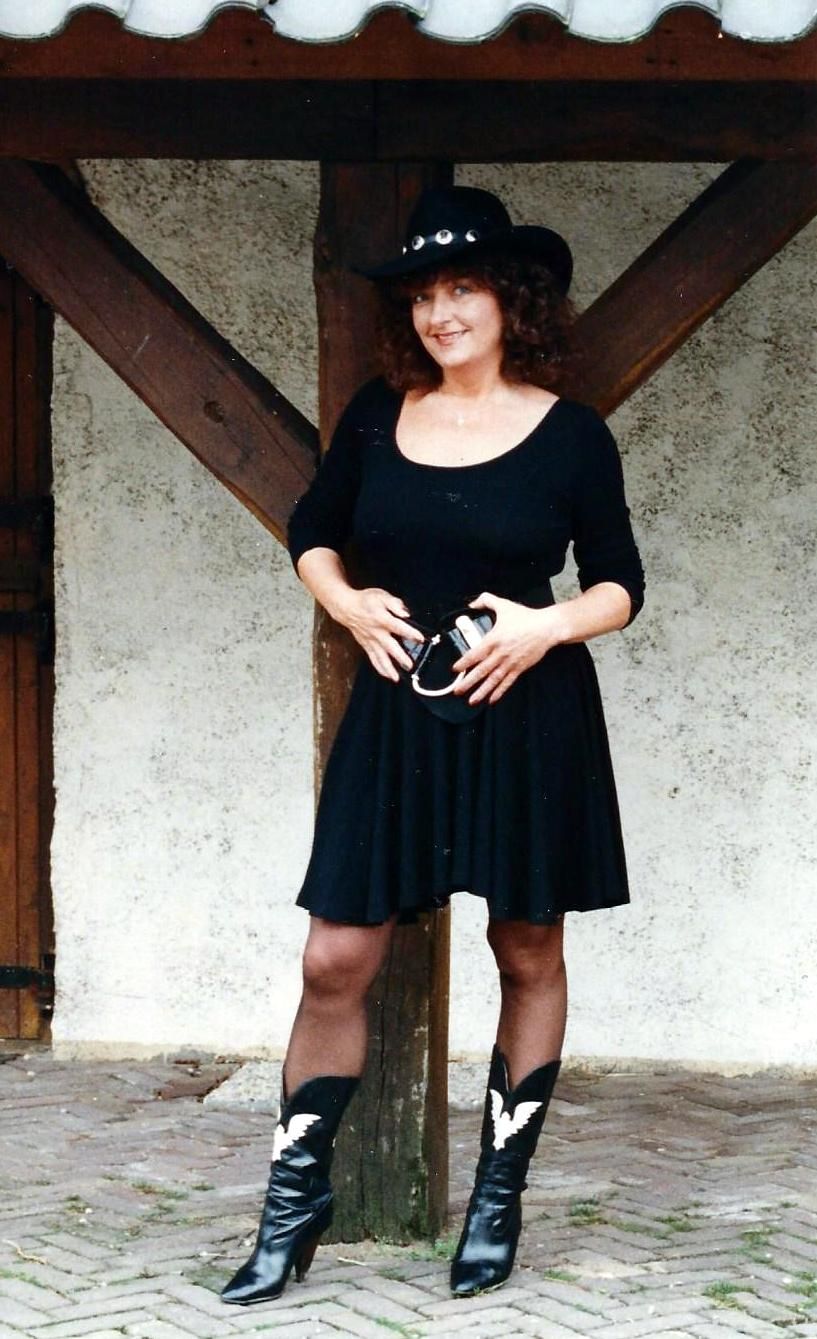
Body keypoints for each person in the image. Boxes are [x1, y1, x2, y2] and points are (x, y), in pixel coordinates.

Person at [221, 185, 645, 1307]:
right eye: (422, 295)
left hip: (526, 714)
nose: (440, 312)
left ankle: (498, 1198)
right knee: (334, 956)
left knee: (527, 950)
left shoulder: (570, 434)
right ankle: (292, 1206)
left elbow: (618, 583)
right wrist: (346, 602)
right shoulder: (378, 414)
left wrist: (545, 625)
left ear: (510, 300)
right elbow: (314, 531)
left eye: (462, 289)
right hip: (398, 719)